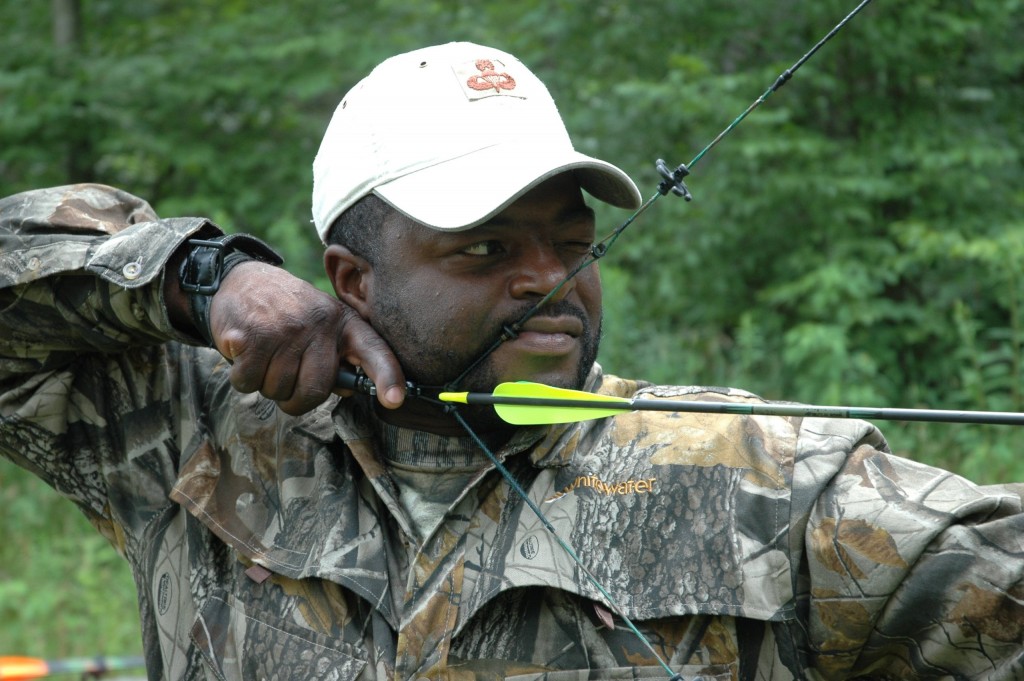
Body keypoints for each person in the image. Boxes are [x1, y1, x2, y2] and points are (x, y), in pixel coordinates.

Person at [1, 41, 1022, 681]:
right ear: (352, 281)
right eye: (485, 247)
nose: (549, 279)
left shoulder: (756, 478)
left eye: (571, 242)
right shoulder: (195, 436)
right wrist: (200, 277)